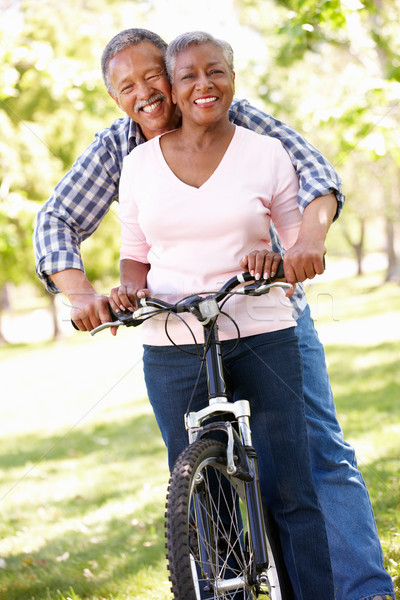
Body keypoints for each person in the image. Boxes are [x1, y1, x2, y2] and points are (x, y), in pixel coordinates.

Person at [32, 28, 395, 600]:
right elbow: (58, 222)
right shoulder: (120, 149)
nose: (145, 94)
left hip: (262, 310)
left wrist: (305, 245)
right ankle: (224, 586)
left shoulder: (237, 117)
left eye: (154, 76)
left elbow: (316, 178)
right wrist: (81, 295)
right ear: (113, 97)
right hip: (178, 328)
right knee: (205, 488)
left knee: (313, 454)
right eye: (126, 87)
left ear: (173, 75)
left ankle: (359, 590)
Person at [110, 30, 335, 598]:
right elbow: (135, 256)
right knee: (201, 498)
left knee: (291, 490)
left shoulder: (265, 153)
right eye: (189, 75)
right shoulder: (138, 165)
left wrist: (283, 256)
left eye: (217, 72)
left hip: (262, 332)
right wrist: (124, 294)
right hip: (172, 342)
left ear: (233, 79)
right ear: (174, 88)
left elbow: (296, 241)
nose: (204, 85)